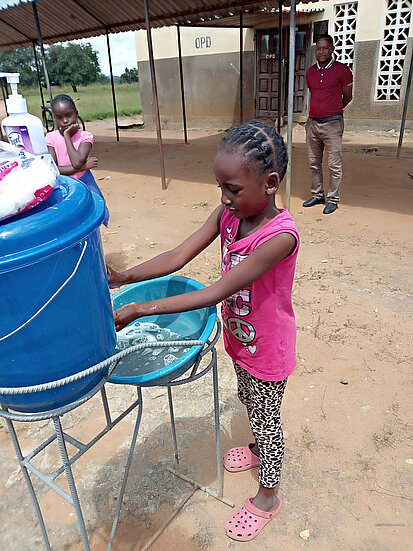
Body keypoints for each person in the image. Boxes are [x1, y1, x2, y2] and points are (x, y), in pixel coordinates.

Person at [108, 120, 300, 542]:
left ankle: (269, 496)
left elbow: (216, 291)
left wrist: (142, 309)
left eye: (233, 189)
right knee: (247, 399)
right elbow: (178, 256)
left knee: (268, 421)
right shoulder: (228, 217)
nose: (224, 198)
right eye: (220, 187)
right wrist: (125, 277)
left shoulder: (278, 238)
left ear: (269, 184)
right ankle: (254, 449)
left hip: (268, 349)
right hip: (241, 338)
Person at [303, 34, 353, 215]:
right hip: (313, 124)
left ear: (332, 49)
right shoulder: (310, 72)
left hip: (333, 124)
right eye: (318, 48)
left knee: (334, 164)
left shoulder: (343, 70)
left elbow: (347, 97)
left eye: (325, 48)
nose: (321, 51)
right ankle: (317, 195)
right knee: (314, 162)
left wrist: (334, 110)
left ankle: (333, 199)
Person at [46, 94, 109, 226]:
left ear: (76, 113)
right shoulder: (50, 138)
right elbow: (54, 169)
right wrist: (84, 166)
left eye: (69, 115)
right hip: (63, 183)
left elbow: (76, 161)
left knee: (96, 208)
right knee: (68, 216)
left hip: (84, 180)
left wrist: (67, 137)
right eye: (59, 117)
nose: (65, 121)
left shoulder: (86, 137)